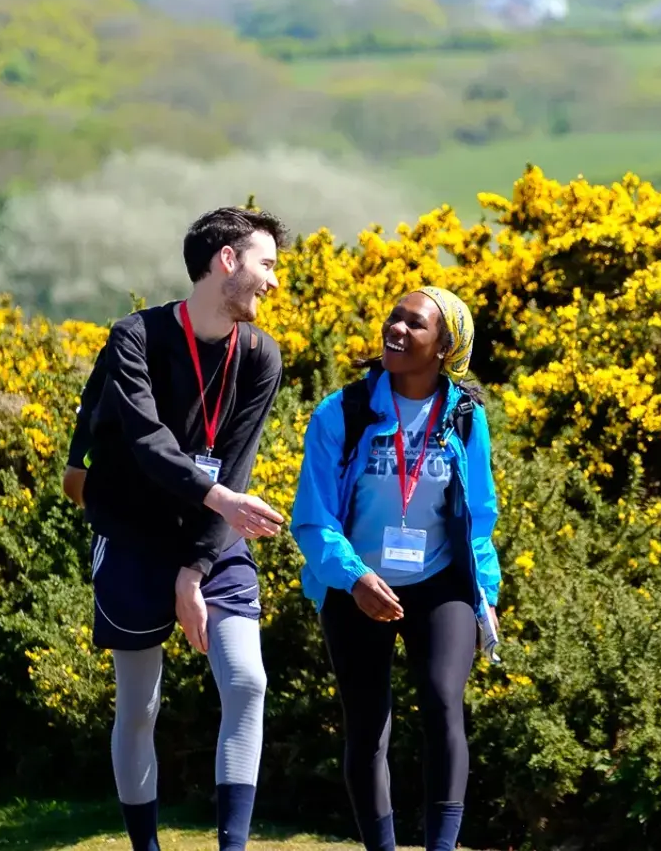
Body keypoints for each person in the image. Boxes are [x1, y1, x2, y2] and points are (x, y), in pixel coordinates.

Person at [64, 206, 290, 851]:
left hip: (214, 535)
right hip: (132, 534)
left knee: (247, 680)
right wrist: (218, 495)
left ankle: (232, 847)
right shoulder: (134, 336)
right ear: (227, 260)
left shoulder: (261, 355)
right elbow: (144, 440)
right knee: (140, 704)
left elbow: (238, 461)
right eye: (266, 264)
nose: (274, 282)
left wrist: (195, 566)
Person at [291, 287, 503, 851]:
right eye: (394, 318)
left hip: (439, 584)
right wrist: (354, 578)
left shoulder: (464, 416)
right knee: (367, 726)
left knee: (441, 699)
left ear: (444, 348)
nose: (398, 330)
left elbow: (479, 514)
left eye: (415, 325)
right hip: (354, 584)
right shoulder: (341, 411)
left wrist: (487, 591)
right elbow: (312, 519)